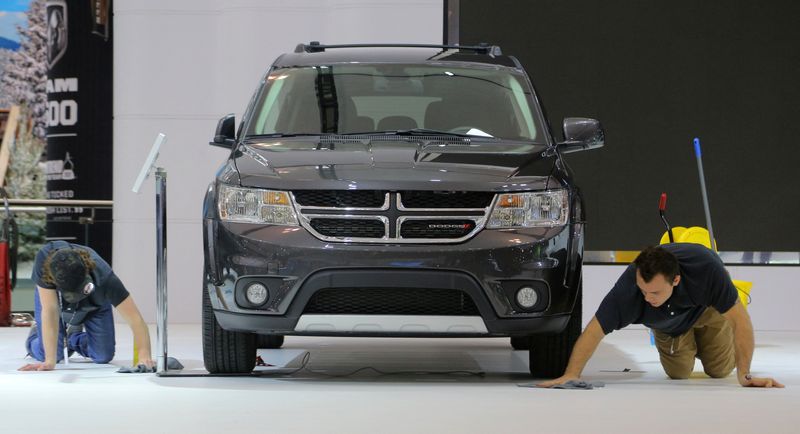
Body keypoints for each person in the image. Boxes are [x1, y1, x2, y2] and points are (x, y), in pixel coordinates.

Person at [539, 243, 783, 388]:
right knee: (679, 374)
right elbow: (593, 331)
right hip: (669, 326)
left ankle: (714, 340)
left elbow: (741, 321)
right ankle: (678, 337)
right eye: (643, 291)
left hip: (707, 313)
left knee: (719, 371)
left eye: (654, 292)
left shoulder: (707, 268)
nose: (647, 298)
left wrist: (746, 375)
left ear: (676, 280)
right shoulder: (629, 289)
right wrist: (571, 374)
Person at [19, 241, 153, 371]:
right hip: (53, 298)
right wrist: (49, 361)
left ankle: (72, 338)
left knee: (102, 356)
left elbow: (136, 321)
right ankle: (35, 336)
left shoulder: (105, 278)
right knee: (52, 354)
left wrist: (144, 355)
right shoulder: (44, 264)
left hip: (95, 300)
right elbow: (50, 310)